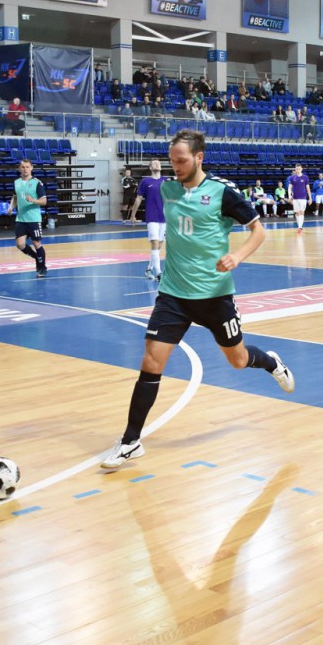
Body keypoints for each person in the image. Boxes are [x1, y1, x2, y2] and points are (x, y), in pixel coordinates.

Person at [100, 130, 295, 470]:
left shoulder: (222, 192)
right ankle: (130, 441)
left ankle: (271, 362)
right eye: (172, 160)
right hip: (173, 294)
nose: (175, 166)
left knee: (238, 360)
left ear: (199, 157)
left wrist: (237, 256)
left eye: (182, 160)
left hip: (214, 296)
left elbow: (258, 230)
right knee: (151, 360)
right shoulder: (167, 189)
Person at [129, 159, 169, 280]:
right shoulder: (145, 181)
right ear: (150, 168)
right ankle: (158, 272)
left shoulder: (167, 181)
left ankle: (149, 269)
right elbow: (138, 198)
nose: (157, 164)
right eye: (154, 163)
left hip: (165, 217)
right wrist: (133, 215)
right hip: (152, 216)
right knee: (155, 243)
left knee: (159, 245)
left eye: (159, 163)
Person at [10, 160, 49, 277]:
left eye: (27, 167)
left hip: (33, 219)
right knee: (20, 244)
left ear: (31, 168)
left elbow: (44, 201)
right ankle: (37, 258)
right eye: (23, 167)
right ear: (19, 169)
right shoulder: (16, 182)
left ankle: (42, 268)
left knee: (36, 243)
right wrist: (11, 207)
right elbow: (15, 197)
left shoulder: (37, 183)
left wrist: (33, 200)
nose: (25, 169)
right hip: (21, 219)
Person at [286, 164, 312, 233]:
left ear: (301, 169)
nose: (298, 170)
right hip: (295, 198)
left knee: (301, 212)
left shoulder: (305, 177)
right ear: (295, 169)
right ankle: (299, 226)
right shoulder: (292, 178)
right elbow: (289, 187)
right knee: (297, 213)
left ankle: (300, 227)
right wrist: (289, 196)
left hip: (303, 198)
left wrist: (310, 198)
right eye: (297, 169)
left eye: (299, 169)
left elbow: (308, 188)